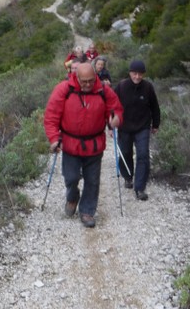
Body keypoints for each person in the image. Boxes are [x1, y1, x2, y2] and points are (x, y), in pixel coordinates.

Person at [44, 62, 123, 227]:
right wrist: (53, 139)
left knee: (92, 180)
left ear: (95, 76)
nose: (88, 84)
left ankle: (87, 211)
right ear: (76, 77)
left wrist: (115, 119)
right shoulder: (63, 90)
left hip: (94, 144)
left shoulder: (104, 91)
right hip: (70, 144)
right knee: (71, 177)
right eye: (84, 81)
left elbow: (116, 110)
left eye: (90, 80)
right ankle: (72, 197)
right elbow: (51, 116)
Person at [114, 59, 161, 201]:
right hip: (124, 127)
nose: (137, 77)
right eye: (135, 73)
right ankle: (128, 177)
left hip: (142, 127)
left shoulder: (148, 87)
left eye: (140, 74)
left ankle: (140, 187)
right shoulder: (121, 86)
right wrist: (111, 125)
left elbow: (155, 107)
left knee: (143, 155)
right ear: (130, 73)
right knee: (125, 153)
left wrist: (155, 124)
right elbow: (112, 106)